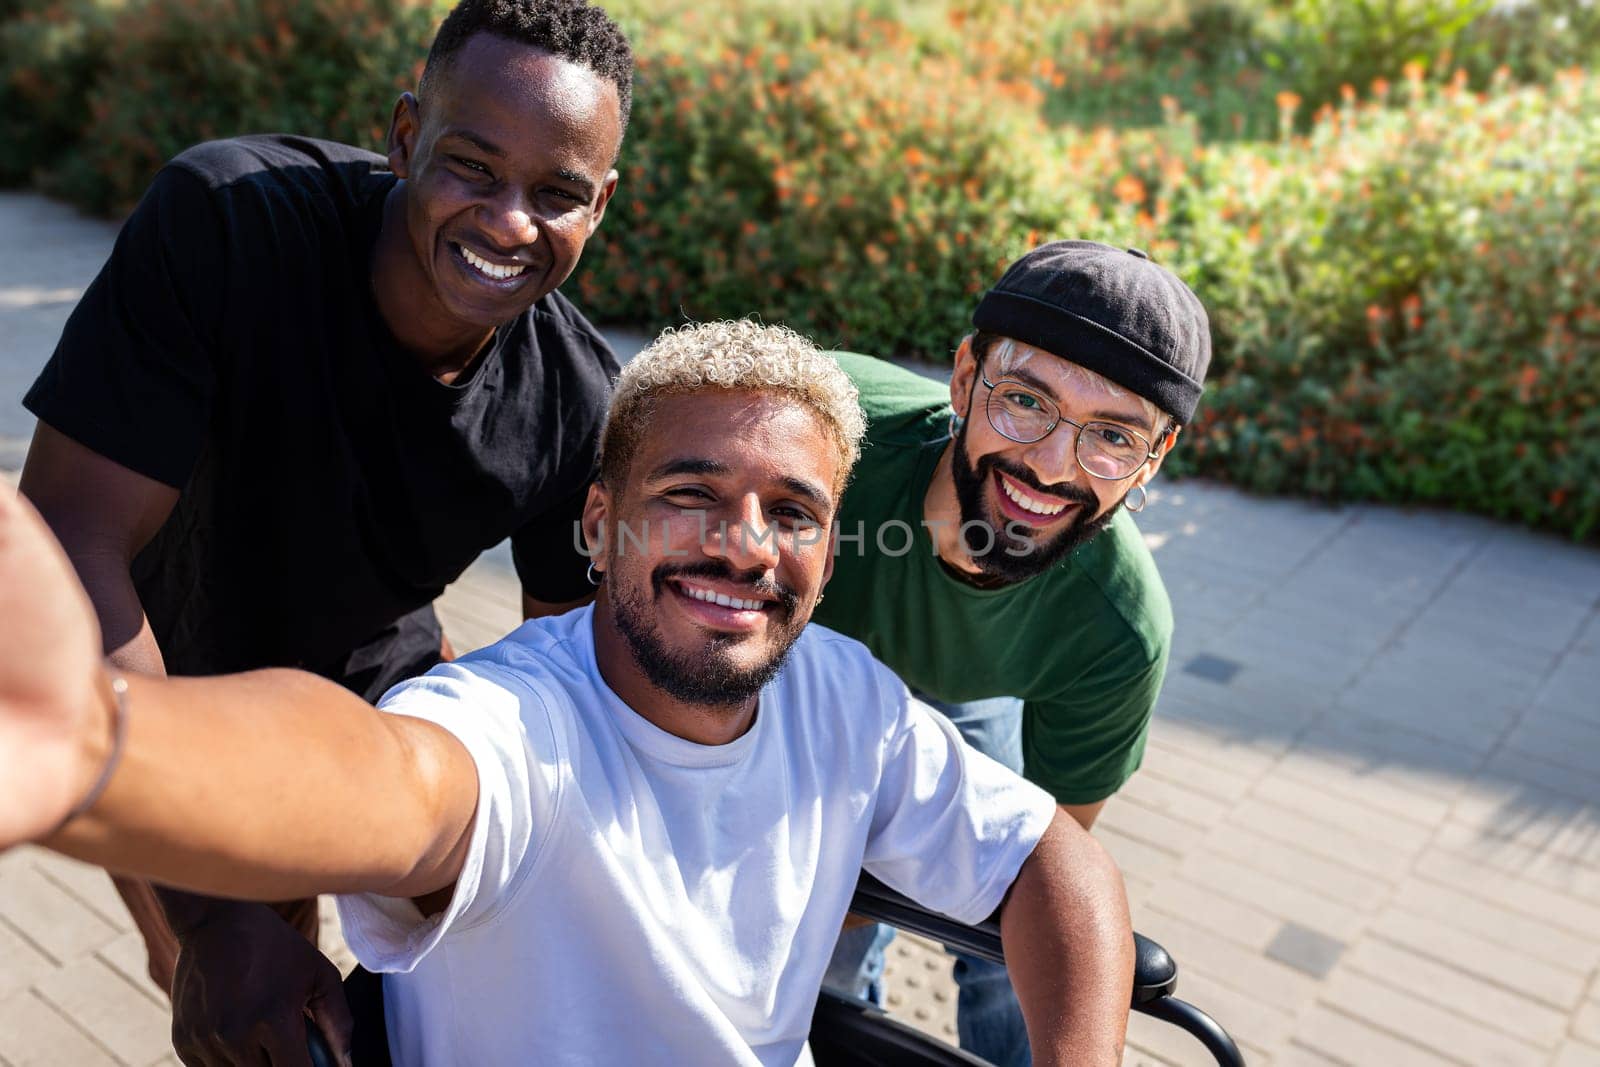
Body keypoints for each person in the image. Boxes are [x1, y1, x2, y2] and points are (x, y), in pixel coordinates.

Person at [1, 321, 1137, 1067]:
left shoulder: (846, 695)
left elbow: (1051, 856)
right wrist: (102, 746)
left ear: (831, 554)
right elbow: (384, 781)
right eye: (691, 492)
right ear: (598, 523)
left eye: (792, 512)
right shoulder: (516, 721)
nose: (745, 545)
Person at [16, 0, 632, 1060]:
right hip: (156, 662)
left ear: (601, 205)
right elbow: (71, 546)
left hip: (365, 683)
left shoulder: (576, 400)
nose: (509, 221)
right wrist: (214, 911)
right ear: (403, 138)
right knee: (245, 1000)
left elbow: (566, 686)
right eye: (472, 167)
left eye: (558, 192)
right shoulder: (226, 222)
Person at [817, 240, 1210, 1065]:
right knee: (824, 949)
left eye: (1112, 435)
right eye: (1026, 401)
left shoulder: (1118, 630)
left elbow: (1051, 863)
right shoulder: (823, 446)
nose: (1050, 465)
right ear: (964, 378)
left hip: (973, 682)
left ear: (1154, 456)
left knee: (1006, 934)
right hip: (799, 669)